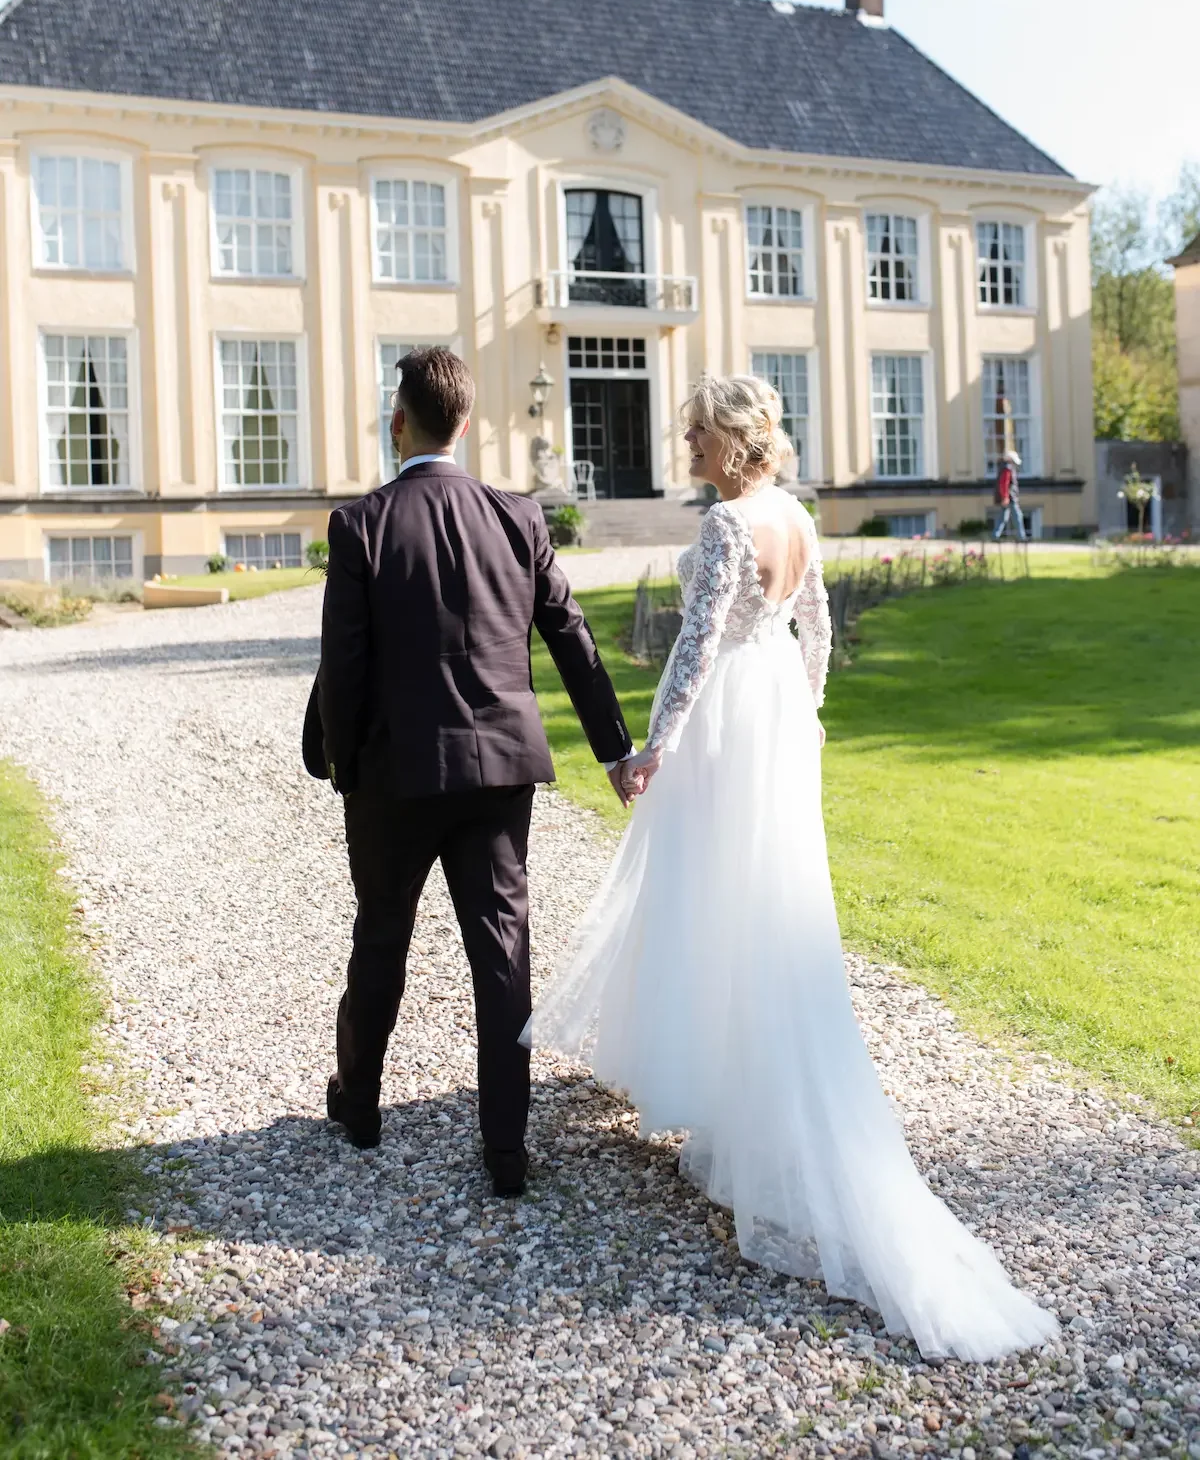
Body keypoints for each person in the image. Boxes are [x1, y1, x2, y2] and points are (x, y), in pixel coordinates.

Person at [526, 374, 1058, 1361]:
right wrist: (803, 710)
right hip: (771, 712)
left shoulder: (731, 524)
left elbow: (692, 647)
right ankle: (735, 1083)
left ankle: (744, 1089)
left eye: (696, 431)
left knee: (717, 897)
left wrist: (657, 745)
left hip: (729, 715)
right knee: (760, 897)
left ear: (735, 443)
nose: (684, 441)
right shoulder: (798, 517)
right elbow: (814, 622)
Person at [310, 347, 632, 1197]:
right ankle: (505, 1149)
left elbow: (345, 663)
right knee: (502, 949)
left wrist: (344, 767)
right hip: (498, 770)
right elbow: (571, 635)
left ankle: (363, 1105)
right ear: (466, 424)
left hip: (394, 775)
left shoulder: (362, 524)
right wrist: (614, 748)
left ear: (399, 420)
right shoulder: (519, 517)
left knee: (381, 936)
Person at [992, 451, 1026, 540]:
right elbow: (1004, 484)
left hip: (1008, 496)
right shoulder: (1007, 468)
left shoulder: (1004, 467)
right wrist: (1005, 497)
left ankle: (995, 535)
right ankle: (1021, 537)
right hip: (1009, 497)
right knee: (1017, 516)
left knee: (1003, 517)